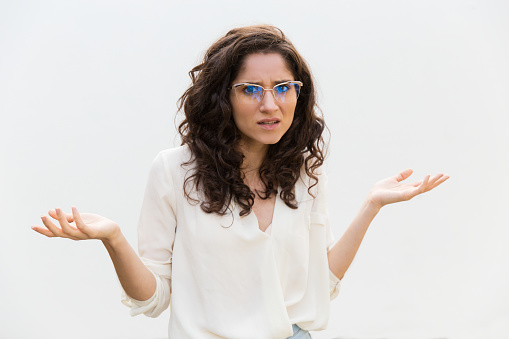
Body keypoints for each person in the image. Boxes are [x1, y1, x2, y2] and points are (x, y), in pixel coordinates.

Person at [32, 25, 449, 339]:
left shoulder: (304, 174)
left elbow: (318, 286)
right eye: (251, 89)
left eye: (284, 87)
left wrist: (371, 206)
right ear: (222, 96)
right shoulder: (174, 171)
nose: (270, 104)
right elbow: (154, 298)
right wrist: (114, 239)